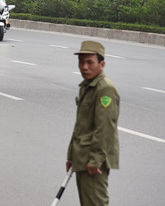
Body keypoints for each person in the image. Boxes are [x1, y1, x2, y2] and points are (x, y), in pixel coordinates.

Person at [66, 40, 120, 206]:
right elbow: (81, 126)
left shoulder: (104, 89)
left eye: (90, 62)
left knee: (96, 203)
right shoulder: (87, 86)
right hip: (82, 156)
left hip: (94, 160)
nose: (84, 67)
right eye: (81, 62)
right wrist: (71, 155)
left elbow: (105, 128)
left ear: (102, 64)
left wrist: (96, 160)